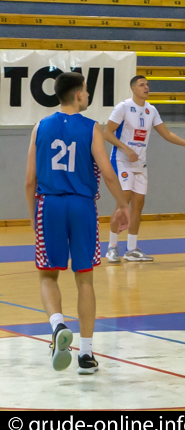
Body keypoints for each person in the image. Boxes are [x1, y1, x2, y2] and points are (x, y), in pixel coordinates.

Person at [25, 72, 130, 374]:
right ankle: (86, 354)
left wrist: (35, 216)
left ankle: (58, 327)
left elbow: (30, 180)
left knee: (48, 276)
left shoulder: (40, 127)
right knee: (84, 279)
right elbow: (108, 172)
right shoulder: (93, 128)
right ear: (77, 95)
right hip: (83, 205)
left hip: (50, 204)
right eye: (85, 90)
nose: (87, 94)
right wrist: (123, 206)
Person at [103, 75, 185, 263]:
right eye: (142, 85)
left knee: (138, 204)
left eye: (147, 84)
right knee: (124, 201)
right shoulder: (123, 107)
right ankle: (112, 247)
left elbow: (166, 133)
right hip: (122, 160)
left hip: (140, 163)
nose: (146, 87)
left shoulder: (151, 110)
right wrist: (126, 148)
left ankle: (131, 248)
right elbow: (107, 133)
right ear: (133, 89)